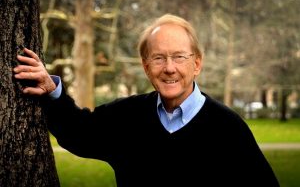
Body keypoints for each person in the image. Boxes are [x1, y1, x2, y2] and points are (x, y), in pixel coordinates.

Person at [13, 14, 279, 186]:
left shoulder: (228, 128)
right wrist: (51, 90)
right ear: (145, 66)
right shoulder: (127, 117)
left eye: (179, 57)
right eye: (159, 58)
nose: (169, 68)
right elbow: (78, 133)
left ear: (197, 64)